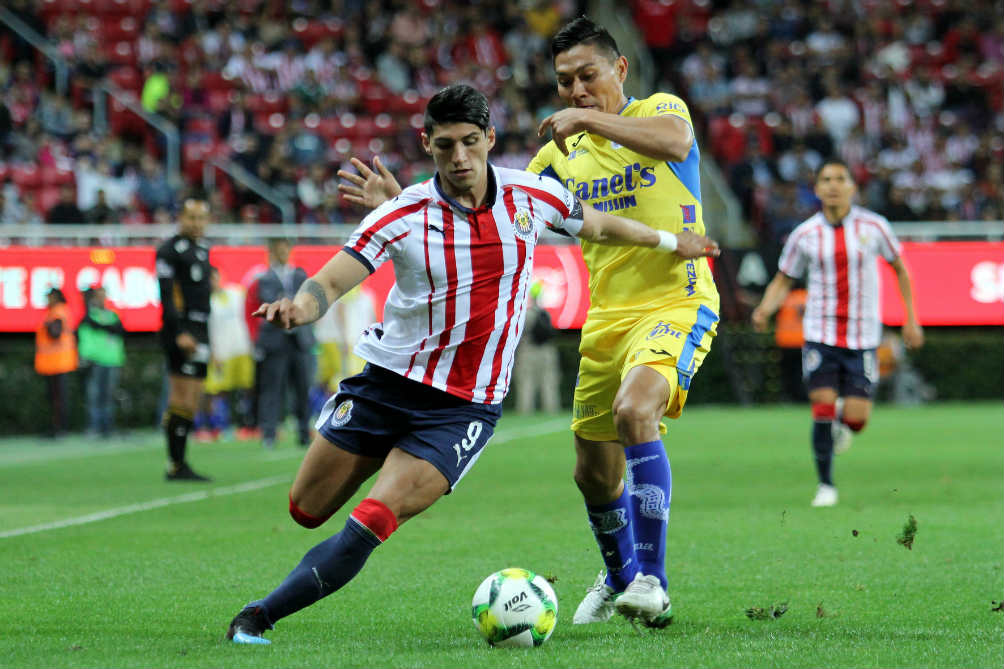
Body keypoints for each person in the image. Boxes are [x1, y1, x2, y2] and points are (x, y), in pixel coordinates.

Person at [224, 84, 719, 645]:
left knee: (373, 520)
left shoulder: (532, 196)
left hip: (460, 411)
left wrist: (668, 239)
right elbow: (335, 277)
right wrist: (300, 306)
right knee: (305, 509)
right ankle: (375, 458)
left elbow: (601, 224)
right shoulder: (403, 212)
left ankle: (258, 616)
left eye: (468, 143)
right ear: (426, 144)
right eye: (443, 146)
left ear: (488, 139)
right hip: (385, 387)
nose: (458, 159)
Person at [337, 17, 721, 629]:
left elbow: (675, 143)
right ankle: (620, 577)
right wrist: (397, 207)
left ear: (620, 69)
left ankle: (652, 579)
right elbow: (485, 212)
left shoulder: (659, 108)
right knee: (592, 473)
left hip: (677, 298)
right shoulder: (553, 159)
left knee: (634, 411)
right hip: (605, 319)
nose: (576, 90)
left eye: (587, 76)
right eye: (565, 81)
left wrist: (590, 119)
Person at [752, 159, 924, 507]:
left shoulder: (874, 227)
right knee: (822, 405)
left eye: (840, 179)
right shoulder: (804, 234)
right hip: (820, 333)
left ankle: (844, 425)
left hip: (863, 337)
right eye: (826, 179)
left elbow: (900, 270)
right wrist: (765, 309)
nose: (832, 185)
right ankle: (826, 485)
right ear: (816, 189)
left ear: (852, 187)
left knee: (857, 419)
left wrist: (911, 318)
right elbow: (784, 278)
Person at [155, 198, 214, 481]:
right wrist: (179, 331)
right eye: (191, 217)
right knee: (181, 396)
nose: (196, 223)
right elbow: (168, 296)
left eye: (201, 218)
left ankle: (180, 462)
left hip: (201, 328)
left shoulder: (203, 250)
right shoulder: (169, 251)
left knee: (193, 399)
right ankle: (175, 464)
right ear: (180, 218)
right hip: (183, 330)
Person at [255, 238, 316, 449]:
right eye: (278, 250)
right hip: (276, 341)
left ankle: (303, 432)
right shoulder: (264, 277)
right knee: (272, 389)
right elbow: (270, 301)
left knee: (302, 388)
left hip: (300, 340)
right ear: (272, 252)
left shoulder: (300, 275)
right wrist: (291, 302)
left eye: (285, 249)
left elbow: (307, 301)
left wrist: (286, 300)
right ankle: (269, 433)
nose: (283, 253)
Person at [77, 285, 125, 437]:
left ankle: (107, 427)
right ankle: (95, 427)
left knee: (109, 395)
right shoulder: (89, 316)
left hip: (111, 360)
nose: (101, 298)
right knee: (95, 395)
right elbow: (86, 334)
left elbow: (119, 330)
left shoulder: (112, 315)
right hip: (96, 361)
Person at [35, 287, 78, 437]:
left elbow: (55, 333)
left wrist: (48, 326)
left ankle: (60, 428)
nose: (47, 300)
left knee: (59, 398)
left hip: (59, 362)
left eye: (49, 297)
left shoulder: (59, 311)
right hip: (51, 363)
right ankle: (56, 427)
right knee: (54, 398)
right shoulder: (52, 312)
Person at [514, 282, 561, 414]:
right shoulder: (546, 314)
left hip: (528, 351)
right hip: (547, 351)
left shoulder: (526, 314)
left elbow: (519, 334)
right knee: (549, 382)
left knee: (526, 383)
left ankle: (525, 411)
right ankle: (551, 410)